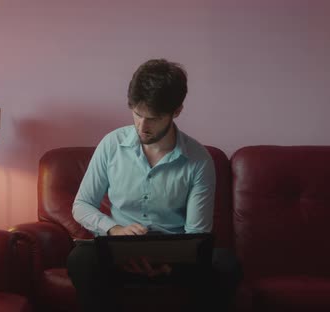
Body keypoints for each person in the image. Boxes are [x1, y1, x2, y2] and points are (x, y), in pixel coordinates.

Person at [67, 59, 241, 312]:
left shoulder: (198, 159)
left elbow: (197, 232)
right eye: (137, 114)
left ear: (177, 111)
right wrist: (114, 229)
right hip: (117, 252)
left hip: (176, 262)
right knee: (80, 259)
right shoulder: (111, 145)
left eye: (154, 118)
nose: (142, 126)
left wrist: (168, 264)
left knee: (225, 264)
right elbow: (82, 206)